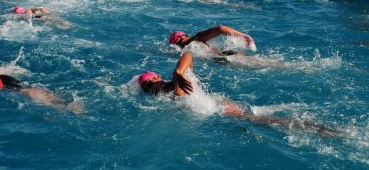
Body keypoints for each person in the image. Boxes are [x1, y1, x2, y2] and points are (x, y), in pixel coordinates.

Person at [138, 53, 337, 138]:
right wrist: (179, 72)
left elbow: (187, 56)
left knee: (271, 121)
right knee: (270, 119)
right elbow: (187, 55)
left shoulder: (171, 88)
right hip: (223, 107)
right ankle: (320, 129)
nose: (151, 86)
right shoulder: (170, 88)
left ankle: (320, 130)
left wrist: (179, 72)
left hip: (223, 109)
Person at [0, 55, 83, 113]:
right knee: (26, 90)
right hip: (1, 78)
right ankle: (61, 103)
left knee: (25, 91)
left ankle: (61, 106)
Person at [168, 25, 256, 55]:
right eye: (186, 35)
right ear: (183, 37)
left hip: (217, 61)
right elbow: (220, 28)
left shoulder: (182, 51)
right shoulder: (196, 38)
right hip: (226, 56)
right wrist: (244, 36)